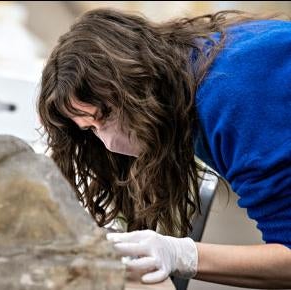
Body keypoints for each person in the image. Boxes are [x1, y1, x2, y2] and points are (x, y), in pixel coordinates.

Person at [37, 8, 291, 288]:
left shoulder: (232, 96)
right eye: (91, 130)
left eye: (106, 116)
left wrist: (182, 255)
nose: (108, 143)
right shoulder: (190, 66)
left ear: (135, 81)